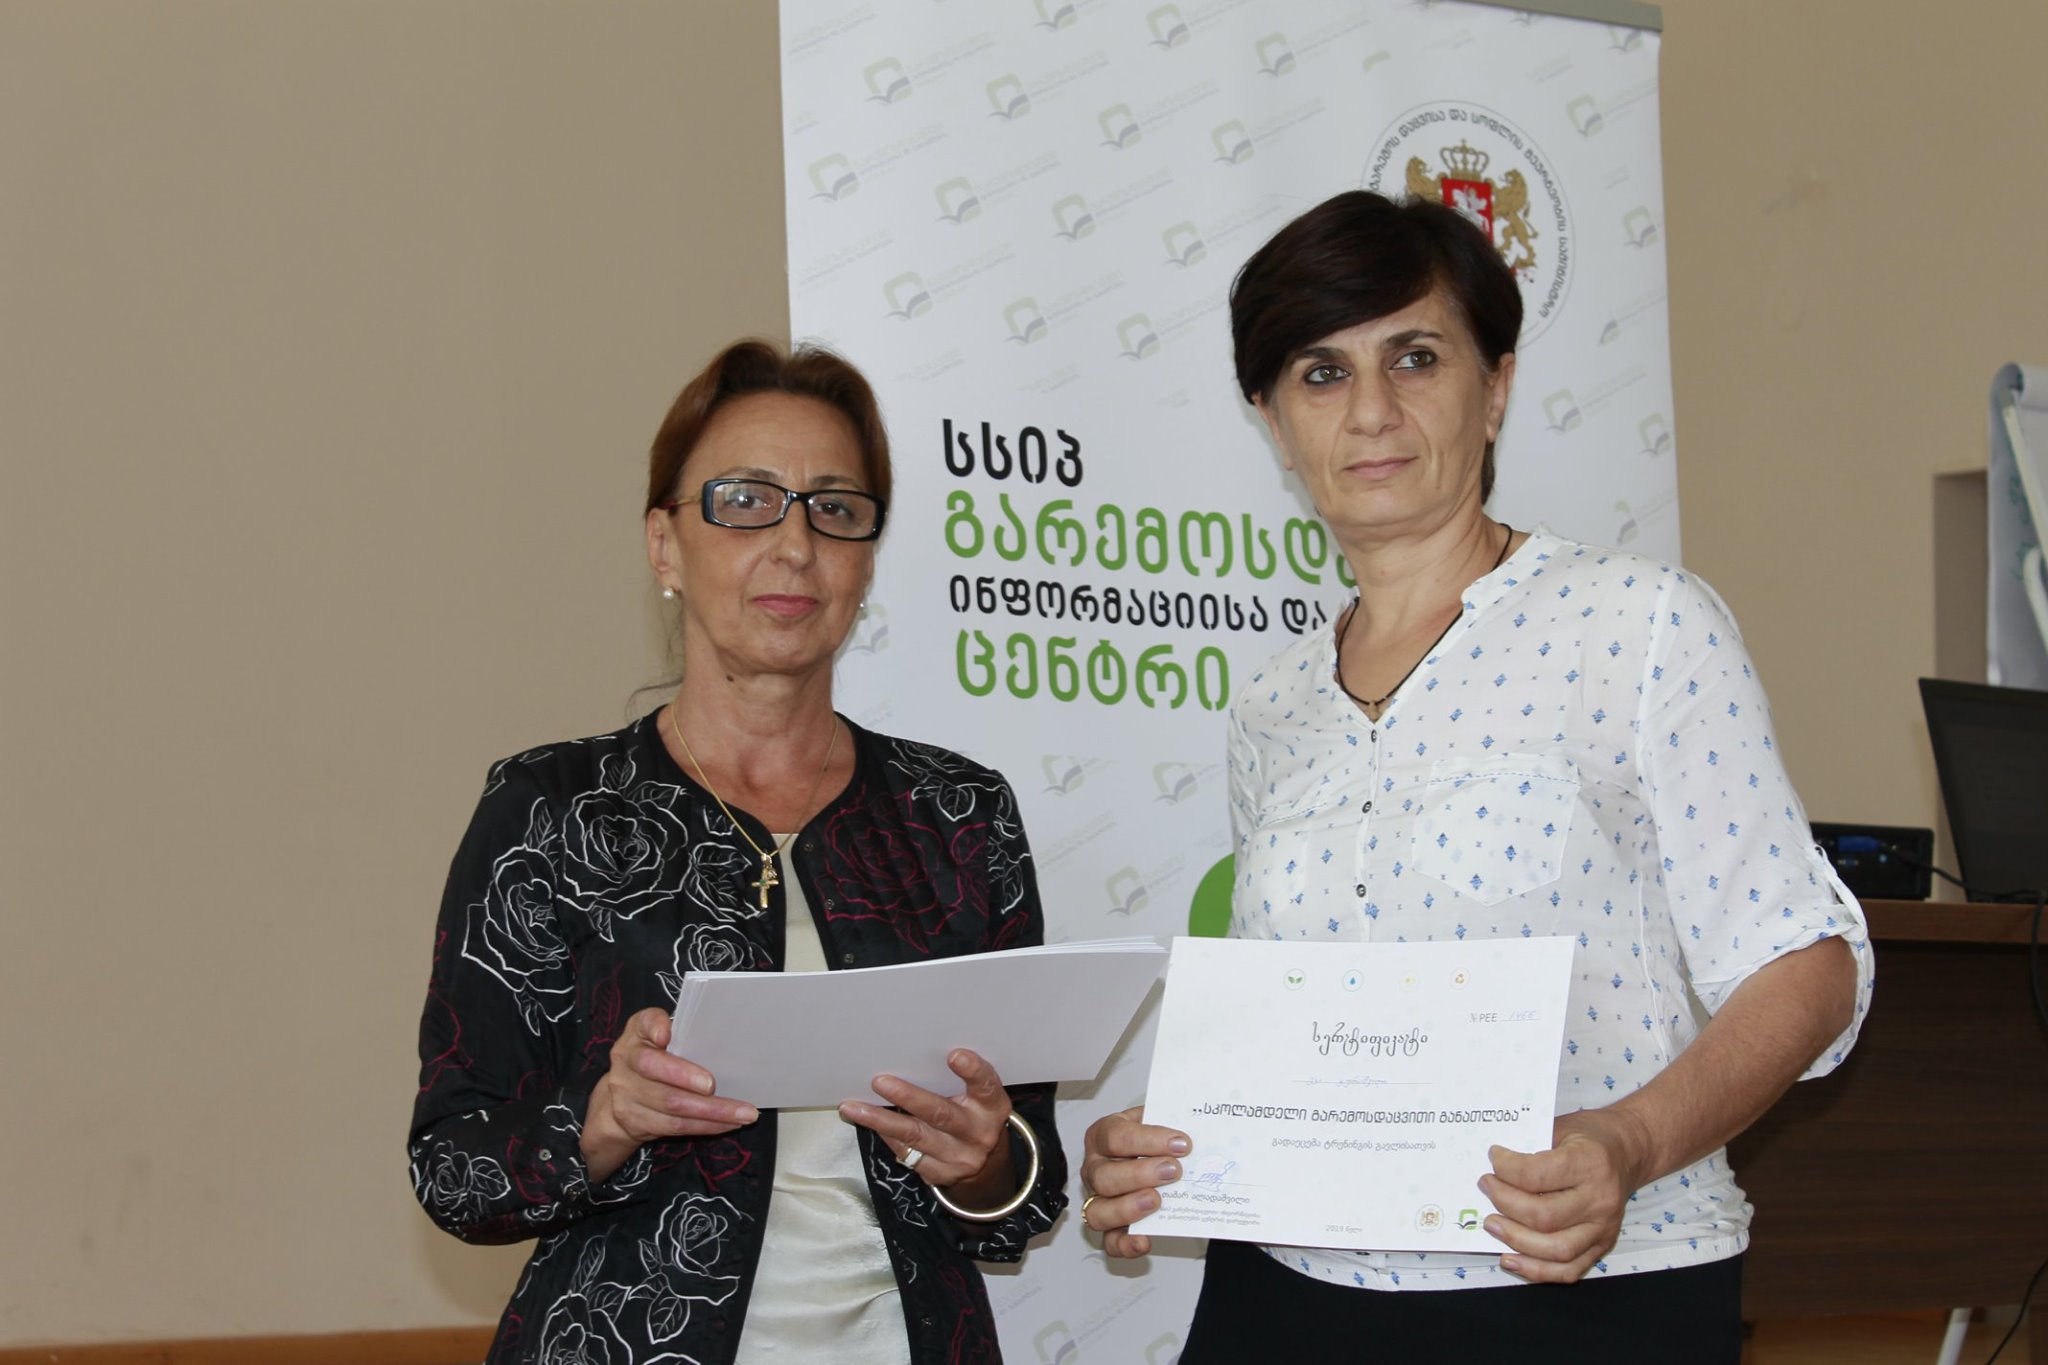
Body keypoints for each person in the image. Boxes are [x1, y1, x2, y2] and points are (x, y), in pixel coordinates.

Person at [1077, 191, 1871, 1363]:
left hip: (1576, 1291)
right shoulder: (1270, 706)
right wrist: (1174, 1142)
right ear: (1271, 421)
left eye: (1414, 357)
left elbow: (1803, 963)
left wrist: (1627, 1143)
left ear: (1493, 388)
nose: (1371, 411)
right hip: (1287, 1291)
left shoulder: (1638, 624)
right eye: (1319, 373)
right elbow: (1293, 1024)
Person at [409, 340, 1067, 1365]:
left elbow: (1025, 1185)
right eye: (746, 501)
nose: (795, 545)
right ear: (664, 545)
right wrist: (603, 1120)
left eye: (834, 508)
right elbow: (453, 1169)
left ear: (865, 560)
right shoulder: (549, 808)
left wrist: (981, 1164)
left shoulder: (957, 814)